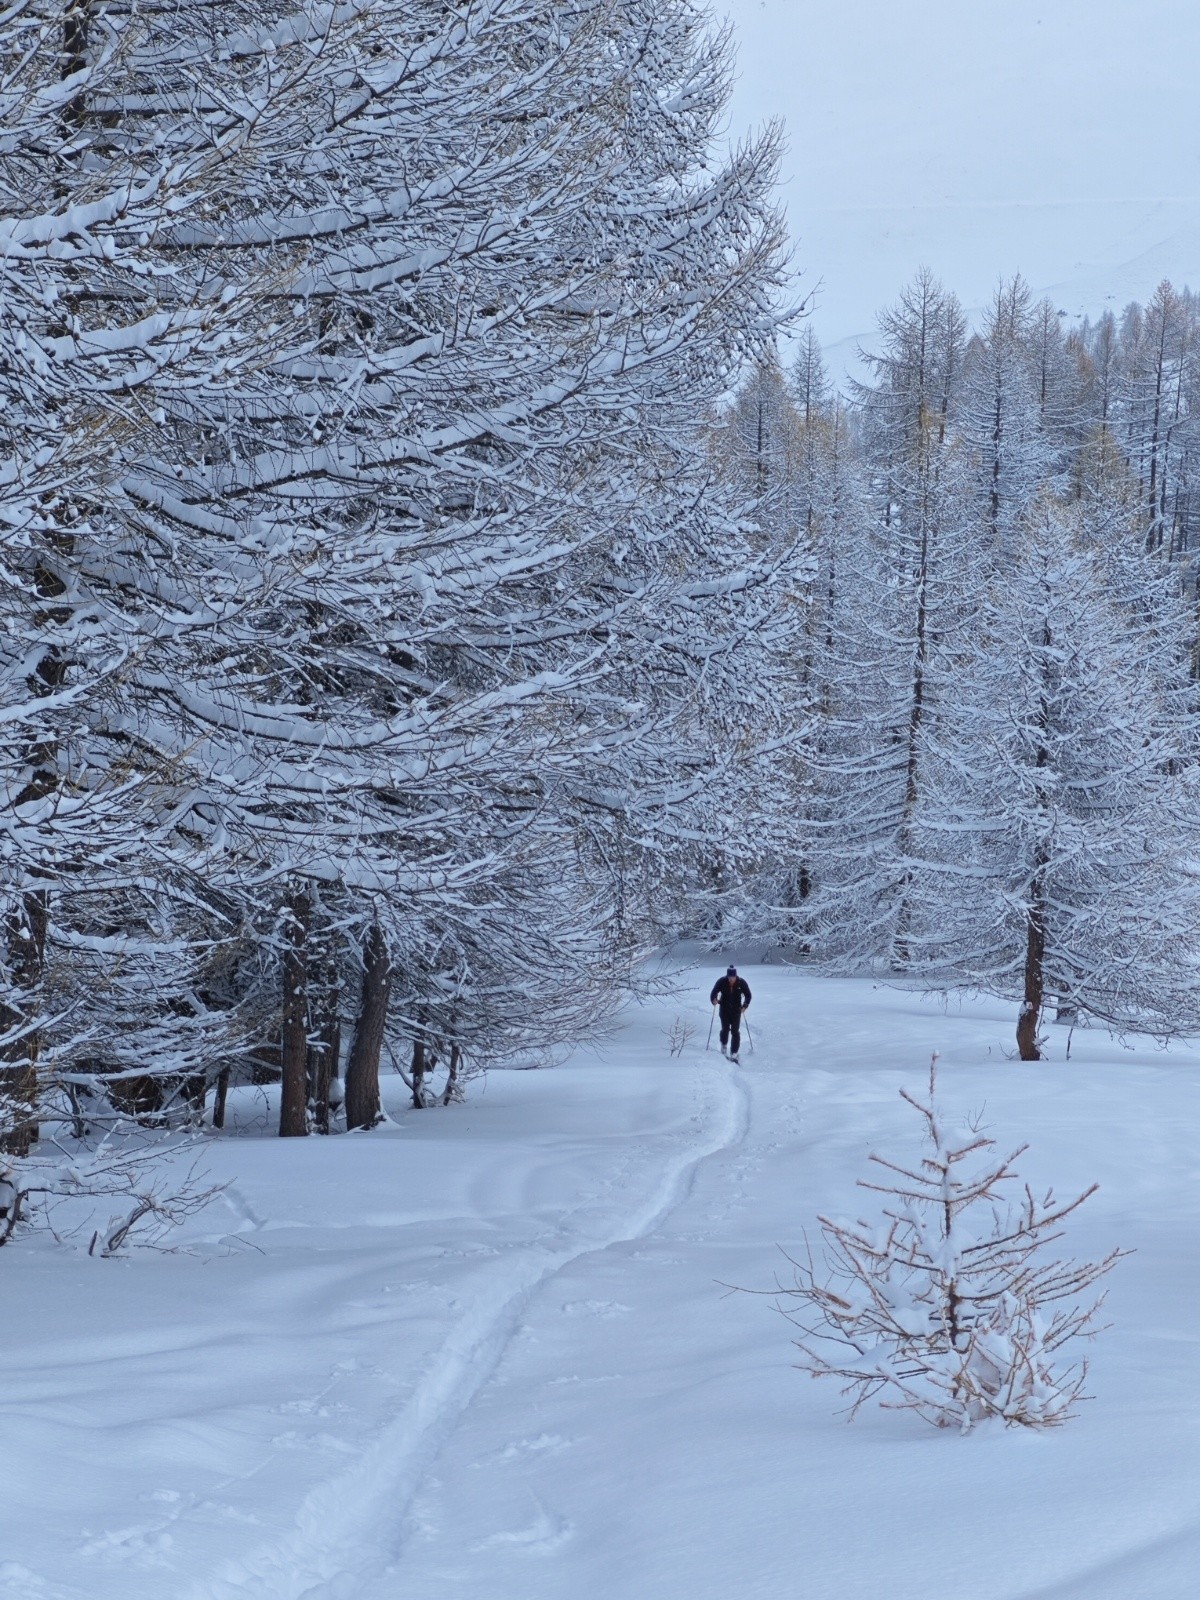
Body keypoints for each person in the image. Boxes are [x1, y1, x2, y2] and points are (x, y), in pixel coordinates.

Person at [710, 965, 751, 1062]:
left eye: (733, 977)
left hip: (736, 1010)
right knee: (725, 1029)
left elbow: (748, 995)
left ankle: (734, 1053)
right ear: (727, 976)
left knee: (735, 1032)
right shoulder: (722, 981)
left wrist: (745, 1006)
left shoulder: (741, 982)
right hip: (724, 1009)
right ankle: (724, 1045)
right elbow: (714, 992)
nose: (731, 979)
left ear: (736, 976)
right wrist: (714, 999)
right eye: (729, 977)